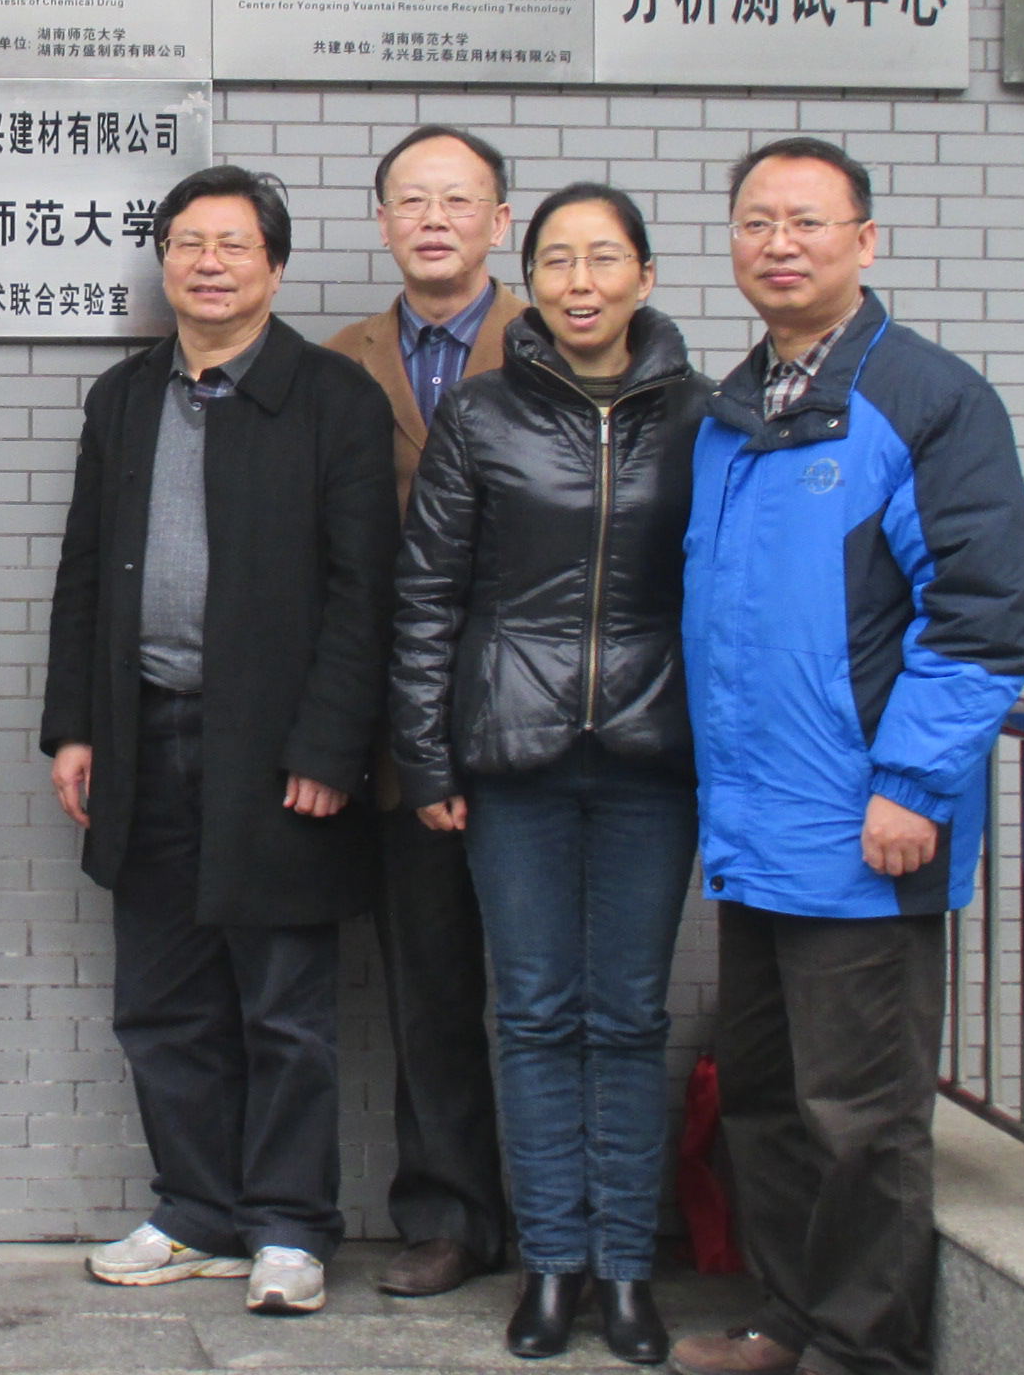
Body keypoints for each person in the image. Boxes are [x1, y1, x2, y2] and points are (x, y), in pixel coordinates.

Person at [671, 138, 1024, 1375]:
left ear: (865, 241)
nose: (779, 243)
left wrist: (913, 783)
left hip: (867, 826)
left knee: (862, 1117)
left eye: (808, 221)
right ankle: (792, 1318)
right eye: (756, 221)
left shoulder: (929, 400)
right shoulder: (734, 410)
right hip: (756, 825)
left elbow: (982, 613)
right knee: (768, 1098)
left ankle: (865, 1346)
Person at [45, 165, 395, 1317]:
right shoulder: (125, 397)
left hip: (279, 747)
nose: (208, 263)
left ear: (275, 267)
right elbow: (85, 571)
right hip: (145, 734)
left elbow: (365, 590)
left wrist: (331, 745)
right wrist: (75, 726)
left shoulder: (333, 397)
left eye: (234, 244)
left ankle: (289, 1224)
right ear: (164, 262)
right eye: (189, 242)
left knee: (284, 1003)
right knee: (161, 1000)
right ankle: (197, 1210)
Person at [391, 183, 708, 1366]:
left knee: (624, 1015)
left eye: (605, 258)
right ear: (531, 280)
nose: (582, 282)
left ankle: (625, 1269)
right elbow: (427, 594)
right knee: (530, 1012)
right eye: (559, 260)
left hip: (653, 756)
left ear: (645, 276)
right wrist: (426, 752)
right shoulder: (482, 414)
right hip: (511, 755)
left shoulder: (704, 416)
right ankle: (552, 1263)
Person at [319, 125, 520, 1301]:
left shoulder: (557, 344)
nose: (435, 219)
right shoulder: (336, 363)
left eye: (459, 199)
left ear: (501, 220)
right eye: (413, 199)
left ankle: (566, 1220)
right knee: (431, 988)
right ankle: (448, 1214)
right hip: (403, 738)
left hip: (540, 724)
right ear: (383, 218)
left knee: (555, 995)